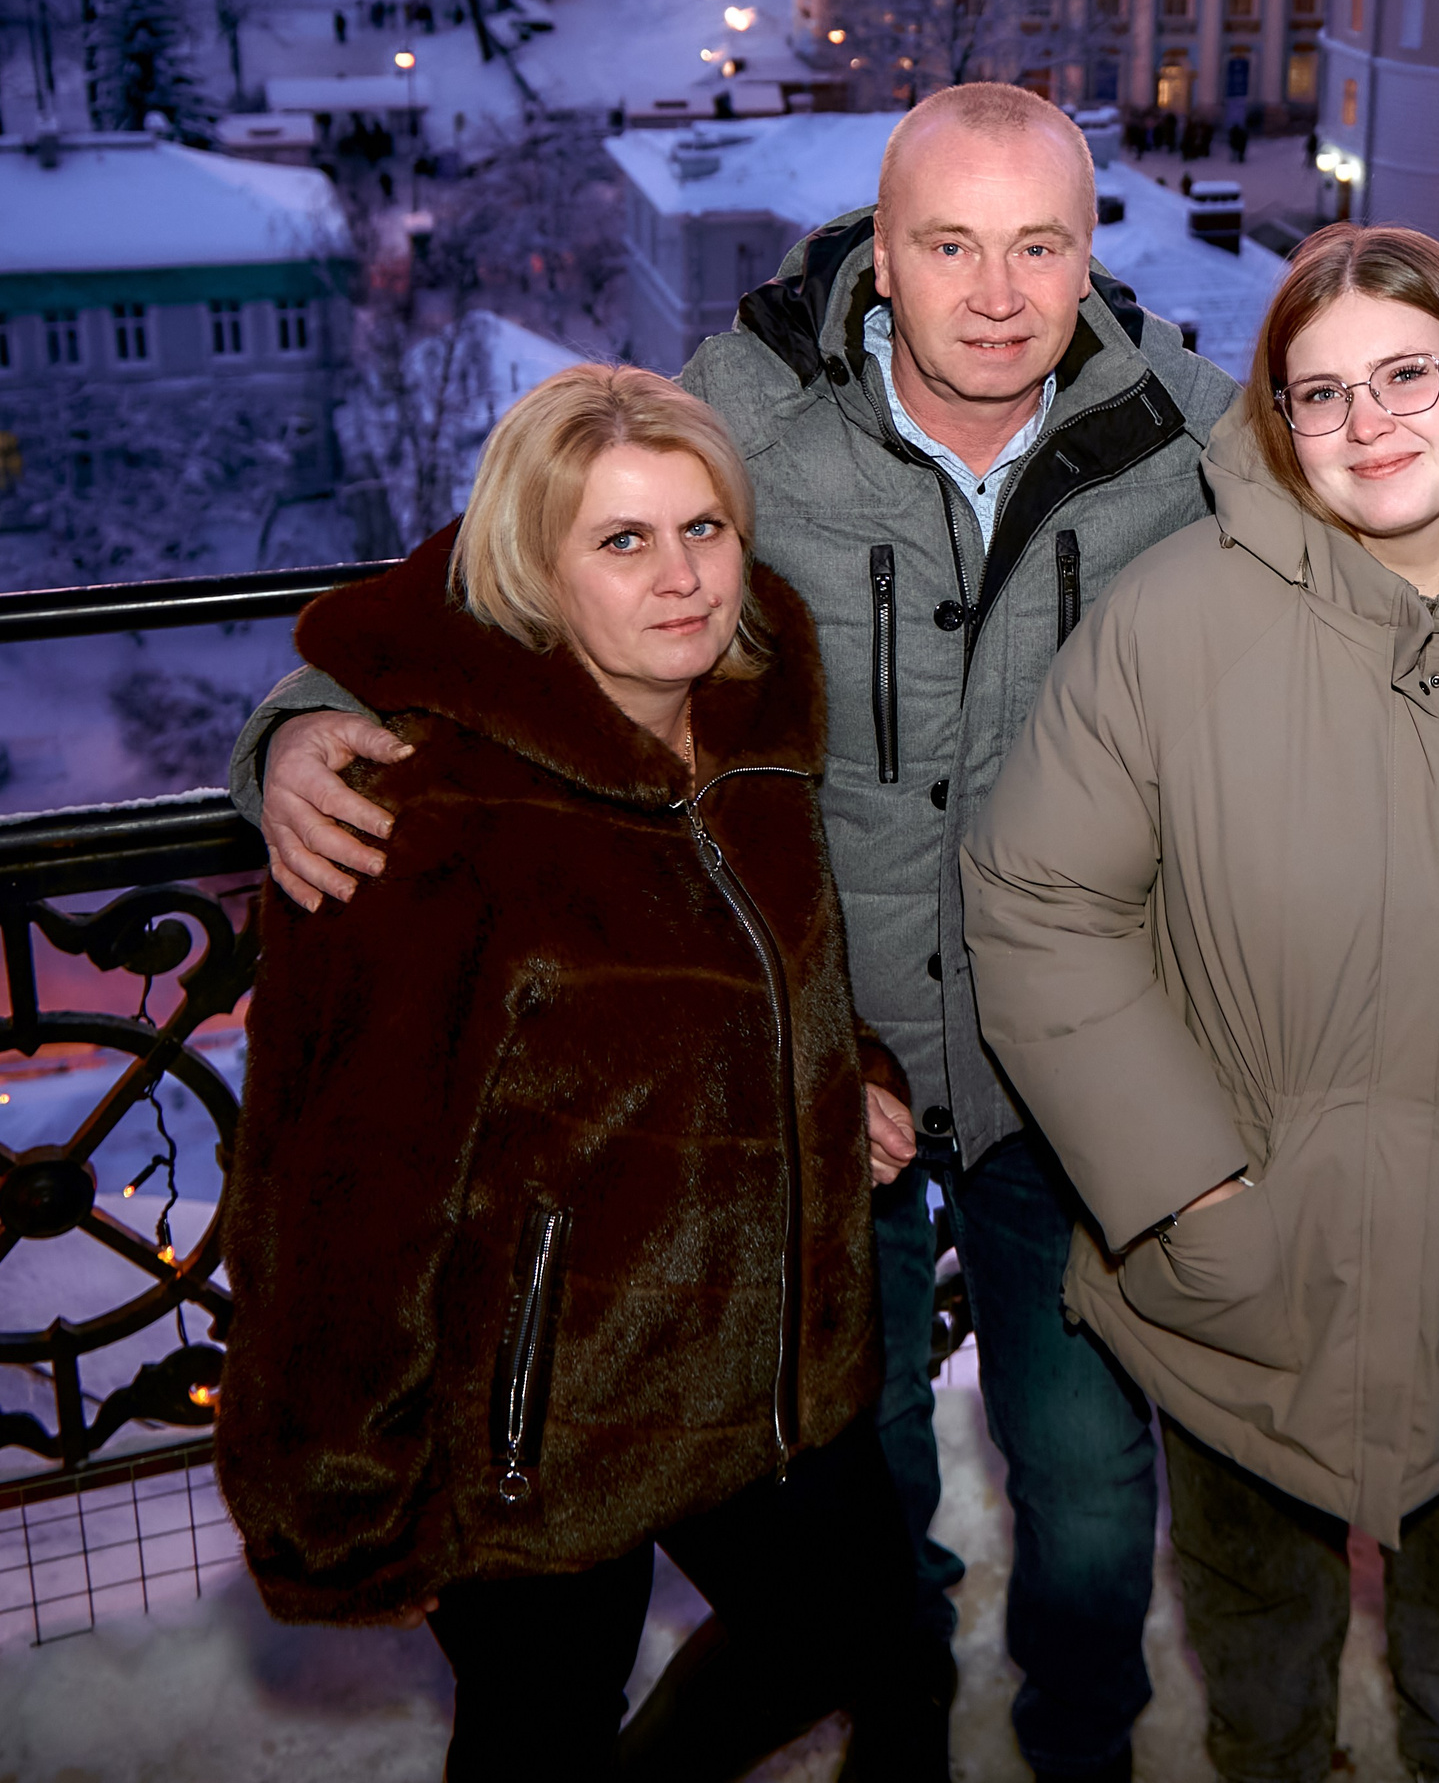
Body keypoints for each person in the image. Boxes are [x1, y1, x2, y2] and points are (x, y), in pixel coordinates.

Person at [232, 83, 1439, 1783]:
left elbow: (1401, 455)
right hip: (832, 1077)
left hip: (1077, 1072)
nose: (996, 293)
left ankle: (1077, 1751)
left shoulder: (1178, 426)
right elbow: (505, 571)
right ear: (879, 257)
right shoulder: (751, 410)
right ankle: (901, 1747)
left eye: (1038, 246)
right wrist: (302, 719)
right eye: (950, 245)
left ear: (1090, 256)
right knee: (863, 1480)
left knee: (1092, 1491)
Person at [964, 226, 1439, 1783]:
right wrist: (1186, 1193)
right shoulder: (1173, 624)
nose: (1368, 421)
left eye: (1409, 373)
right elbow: (1043, 904)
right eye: (1319, 392)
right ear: (1276, 421)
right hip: (1236, 1295)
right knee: (1260, 1677)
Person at [217, 365, 928, 1780]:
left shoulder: (751, 722)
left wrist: (838, 1071)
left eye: (704, 529)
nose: (683, 577)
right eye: (622, 540)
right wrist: (343, 1503)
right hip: (531, 1428)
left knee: (848, 1629)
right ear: (536, 571)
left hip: (765, 1368)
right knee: (541, 1734)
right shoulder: (430, 814)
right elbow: (340, 1187)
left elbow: (765, 966)